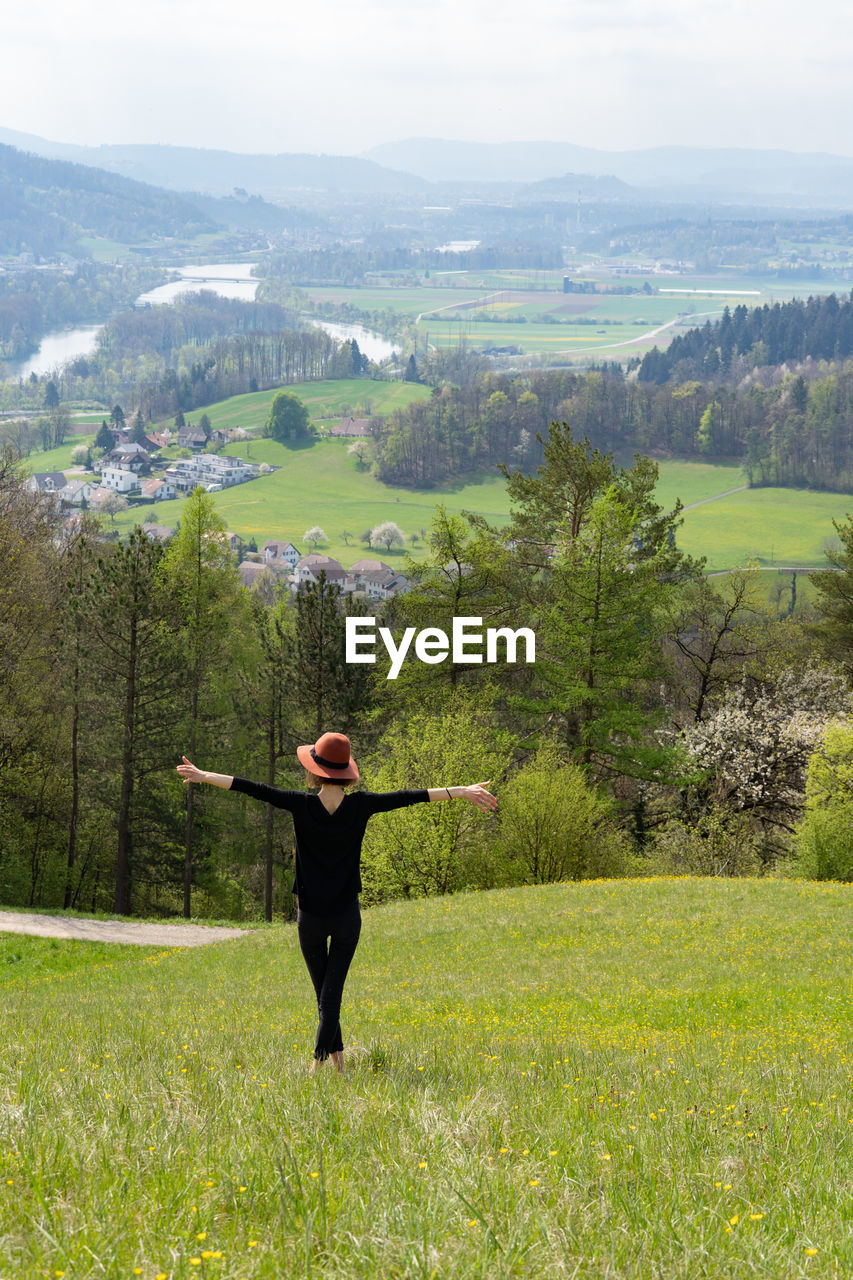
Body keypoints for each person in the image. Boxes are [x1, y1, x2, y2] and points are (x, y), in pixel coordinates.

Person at [176, 732, 497, 1075]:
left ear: (314, 770)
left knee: (326, 997)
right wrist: (462, 791)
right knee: (329, 997)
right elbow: (411, 797)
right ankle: (340, 1067)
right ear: (347, 772)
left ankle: (316, 1066)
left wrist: (205, 775)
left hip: (311, 918)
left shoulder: (300, 804)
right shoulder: (362, 805)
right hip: (347, 917)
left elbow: (253, 788)